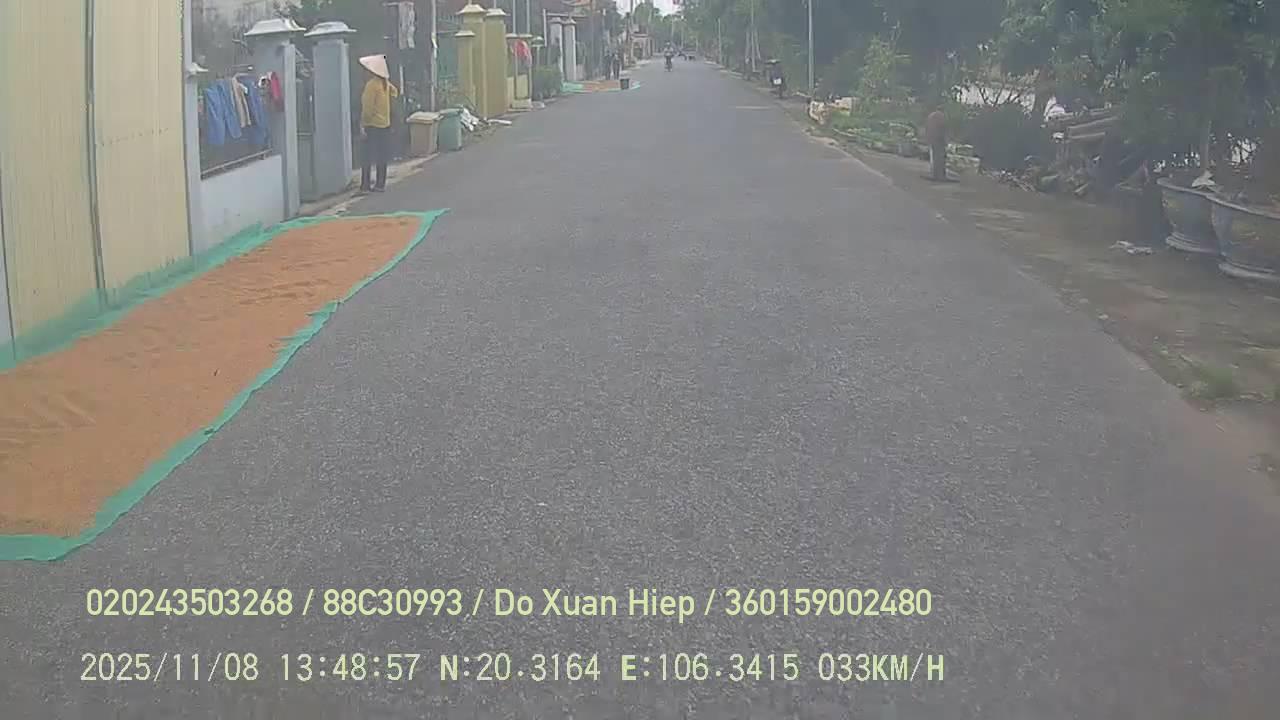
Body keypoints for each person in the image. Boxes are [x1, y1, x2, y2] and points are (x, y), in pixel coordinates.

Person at [358, 54, 398, 193]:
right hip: (385, 123)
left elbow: (367, 108)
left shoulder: (371, 85)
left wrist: (363, 124)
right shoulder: (385, 84)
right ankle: (380, 184)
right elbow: (395, 93)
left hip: (372, 124)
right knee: (382, 155)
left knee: (366, 156)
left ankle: (365, 185)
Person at [924, 106, 948, 181]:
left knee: (933, 157)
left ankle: (934, 174)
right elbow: (943, 128)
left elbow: (927, 128)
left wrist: (927, 138)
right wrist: (945, 141)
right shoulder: (941, 116)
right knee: (940, 157)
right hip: (938, 139)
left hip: (931, 139)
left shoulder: (930, 116)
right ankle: (940, 175)